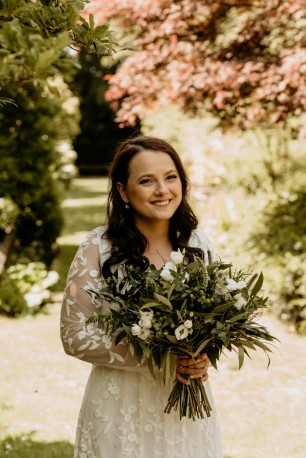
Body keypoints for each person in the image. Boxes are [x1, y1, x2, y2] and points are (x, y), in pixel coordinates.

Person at [60, 135, 223, 457]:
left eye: (170, 177)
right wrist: (159, 358)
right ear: (123, 190)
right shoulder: (98, 247)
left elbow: (215, 320)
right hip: (120, 405)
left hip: (187, 409)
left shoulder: (199, 244)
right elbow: (74, 335)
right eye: (147, 181)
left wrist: (203, 354)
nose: (162, 190)